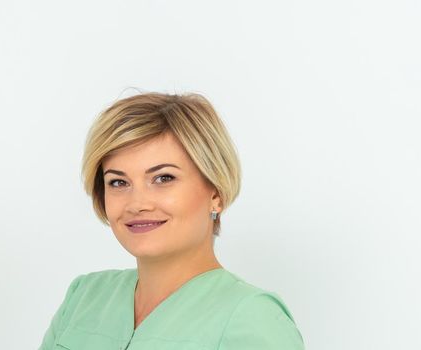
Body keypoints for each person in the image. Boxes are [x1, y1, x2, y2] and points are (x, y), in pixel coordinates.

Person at [40, 92, 304, 349]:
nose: (137, 204)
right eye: (118, 182)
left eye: (164, 178)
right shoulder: (85, 297)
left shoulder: (253, 318)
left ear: (216, 194)